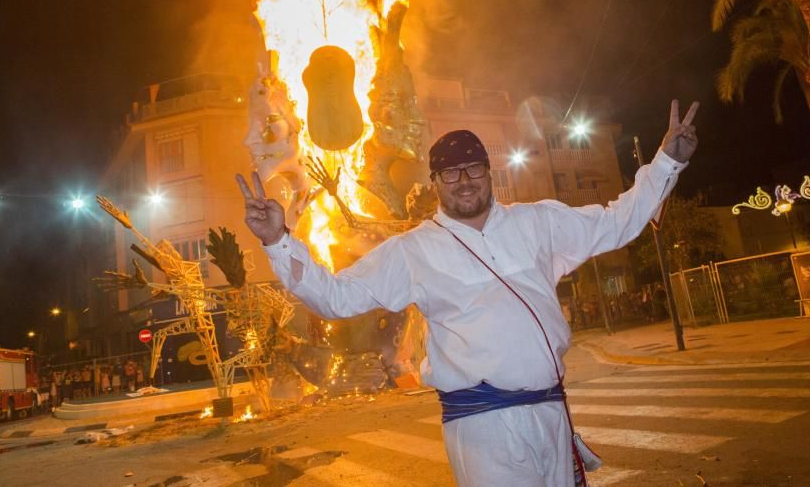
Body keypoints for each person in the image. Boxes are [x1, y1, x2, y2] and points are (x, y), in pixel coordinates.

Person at [239, 100, 698, 487]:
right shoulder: (412, 250)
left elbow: (615, 222)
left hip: (552, 413)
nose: (464, 180)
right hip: (484, 427)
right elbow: (336, 298)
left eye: (473, 167)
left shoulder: (536, 220)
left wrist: (667, 163)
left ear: (488, 170)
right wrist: (278, 240)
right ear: (435, 182)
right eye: (450, 172)